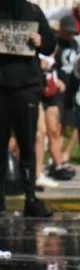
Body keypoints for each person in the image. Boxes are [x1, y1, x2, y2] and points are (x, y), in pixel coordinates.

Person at [0, 0, 57, 219]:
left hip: (27, 89)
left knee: (27, 143)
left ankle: (30, 197)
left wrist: (41, 41)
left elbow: (51, 44)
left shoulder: (34, 13)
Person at [41, 14, 78, 183]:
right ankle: (53, 162)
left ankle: (58, 161)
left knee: (60, 127)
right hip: (51, 90)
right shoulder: (52, 43)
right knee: (47, 130)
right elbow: (48, 65)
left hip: (70, 89)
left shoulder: (74, 44)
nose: (70, 35)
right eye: (67, 32)